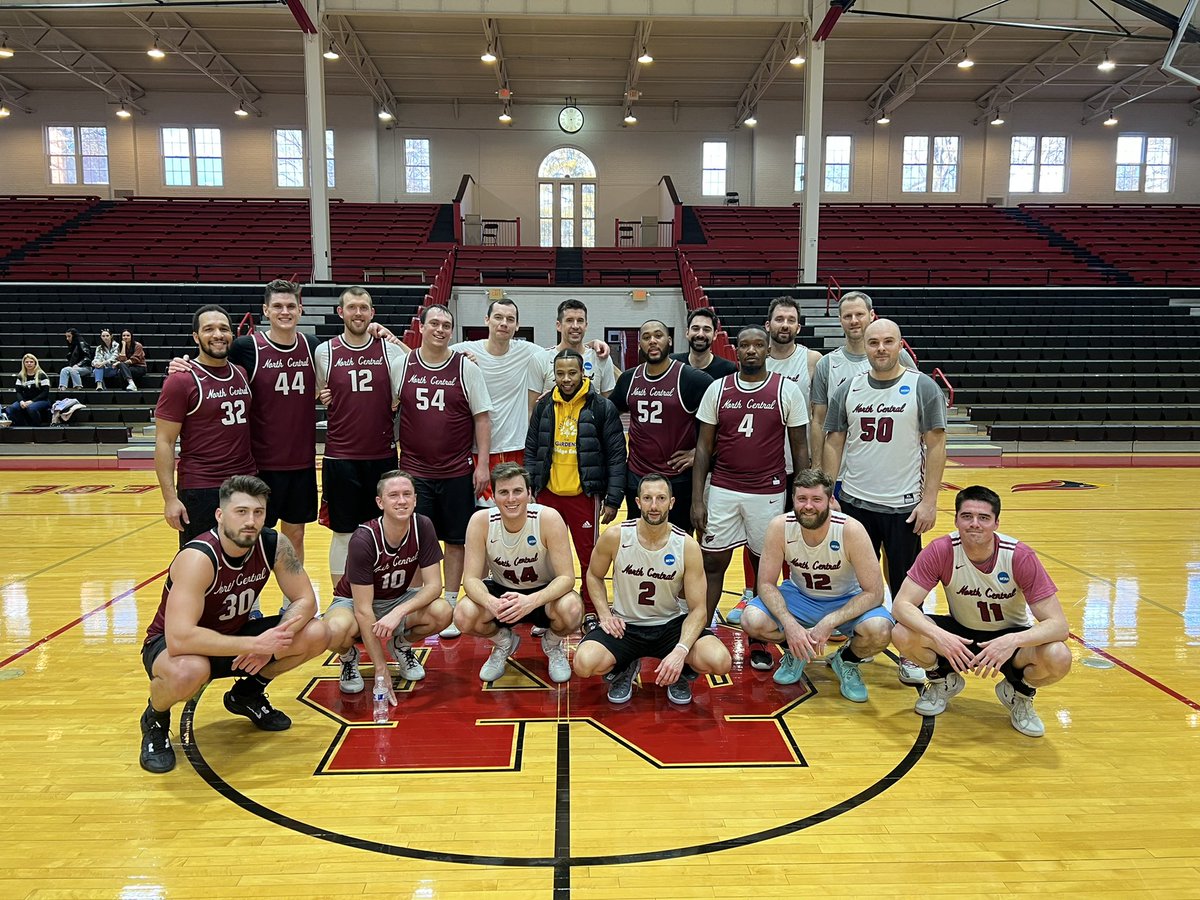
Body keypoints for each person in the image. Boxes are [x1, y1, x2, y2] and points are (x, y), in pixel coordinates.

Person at [137, 475, 330, 774]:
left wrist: (273, 641)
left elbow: (305, 600)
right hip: (175, 647)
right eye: (241, 512)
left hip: (236, 637)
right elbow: (180, 638)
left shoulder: (274, 544)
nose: (250, 521)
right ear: (220, 515)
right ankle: (155, 719)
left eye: (258, 512)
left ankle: (247, 694)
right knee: (190, 671)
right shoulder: (198, 558)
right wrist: (255, 644)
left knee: (317, 632)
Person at [822, 317, 947, 686]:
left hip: (904, 508)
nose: (880, 349)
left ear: (900, 345)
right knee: (852, 582)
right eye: (874, 342)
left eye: (888, 342)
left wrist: (929, 502)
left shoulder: (921, 386)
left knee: (908, 588)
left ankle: (910, 653)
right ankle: (854, 644)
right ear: (866, 345)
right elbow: (833, 441)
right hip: (856, 504)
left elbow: (936, 444)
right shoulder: (848, 387)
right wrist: (829, 493)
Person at [890, 485, 1072, 737]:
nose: (974, 524)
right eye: (967, 516)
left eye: (984, 518)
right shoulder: (942, 549)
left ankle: (1019, 693)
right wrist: (940, 636)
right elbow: (901, 605)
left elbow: (1059, 625)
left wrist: (1013, 640)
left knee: (1059, 656)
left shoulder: (1019, 556)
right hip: (961, 633)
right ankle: (942, 680)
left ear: (996, 523)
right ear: (956, 520)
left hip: (1009, 636)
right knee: (901, 633)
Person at [691, 325, 809, 669]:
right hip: (724, 488)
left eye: (759, 344)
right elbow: (702, 448)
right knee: (712, 562)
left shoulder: (786, 390)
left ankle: (759, 640)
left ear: (768, 349)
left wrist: (802, 500)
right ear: (736, 351)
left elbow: (801, 451)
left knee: (763, 569)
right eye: (745, 345)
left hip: (768, 492)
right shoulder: (718, 389)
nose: (752, 350)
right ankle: (700, 630)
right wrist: (698, 498)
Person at [574, 473, 731, 705]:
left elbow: (699, 610)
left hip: (670, 626)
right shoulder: (616, 536)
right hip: (625, 626)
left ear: (672, 502)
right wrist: (605, 615)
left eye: (661, 498)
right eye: (647, 498)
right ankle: (625, 666)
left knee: (720, 661)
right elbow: (594, 575)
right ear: (637, 503)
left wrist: (681, 650)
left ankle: (678, 669)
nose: (654, 506)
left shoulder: (686, 545)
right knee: (583, 664)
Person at [740, 469, 891, 701]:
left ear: (831, 501)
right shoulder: (780, 526)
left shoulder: (850, 529)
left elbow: (875, 592)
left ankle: (847, 661)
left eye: (816, 499)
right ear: (793, 500)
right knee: (751, 620)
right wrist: (790, 626)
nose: (808, 506)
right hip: (800, 596)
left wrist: (830, 622)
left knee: (880, 631)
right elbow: (767, 584)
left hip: (845, 599)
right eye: (802, 499)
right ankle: (796, 652)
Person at [447, 298, 547, 635]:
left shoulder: (528, 352)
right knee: (484, 526)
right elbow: (426, 353)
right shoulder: (465, 348)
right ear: (487, 319)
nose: (504, 323)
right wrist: (388, 336)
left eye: (510, 319)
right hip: (480, 454)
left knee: (525, 525)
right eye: (498, 317)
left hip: (518, 451)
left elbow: (564, 349)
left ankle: (535, 599)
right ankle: (489, 596)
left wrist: (594, 346)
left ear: (517, 325)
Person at [396, 303, 492, 626]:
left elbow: (482, 418)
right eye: (434, 323)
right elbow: (385, 407)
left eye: (446, 325)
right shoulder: (403, 365)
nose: (440, 329)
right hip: (414, 471)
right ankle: (416, 601)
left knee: (455, 538)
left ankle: (450, 601)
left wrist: (482, 465)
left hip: (456, 470)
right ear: (420, 327)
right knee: (416, 539)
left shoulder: (466, 368)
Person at [324, 470, 453, 699]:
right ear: (380, 502)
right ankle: (348, 657)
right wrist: (381, 669)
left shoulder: (422, 525)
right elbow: (364, 611)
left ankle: (401, 645)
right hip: (354, 602)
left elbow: (434, 586)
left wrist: (399, 611)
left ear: (415, 499)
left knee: (442, 612)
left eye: (407, 494)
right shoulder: (364, 539)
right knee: (332, 632)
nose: (401, 501)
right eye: (393, 495)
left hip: (396, 599)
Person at [454, 463, 583, 684]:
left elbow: (566, 578)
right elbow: (471, 579)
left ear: (529, 493)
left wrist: (531, 601)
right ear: (493, 496)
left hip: (543, 592)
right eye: (503, 492)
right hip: (503, 592)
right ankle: (504, 642)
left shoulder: (548, 518)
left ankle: (552, 645)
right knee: (463, 614)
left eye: (517, 491)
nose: (511, 499)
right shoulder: (480, 521)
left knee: (572, 609)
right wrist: (491, 603)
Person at [525, 348, 626, 626]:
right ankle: (545, 610)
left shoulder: (601, 407)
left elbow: (617, 455)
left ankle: (591, 609)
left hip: (585, 496)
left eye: (572, 373)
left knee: (588, 558)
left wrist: (613, 498)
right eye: (560, 373)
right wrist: (531, 485)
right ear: (553, 375)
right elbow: (532, 449)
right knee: (544, 558)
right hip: (548, 494)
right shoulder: (545, 405)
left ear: (583, 373)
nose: (566, 379)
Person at [315, 286, 406, 591]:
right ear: (340, 312)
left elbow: (417, 366)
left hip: (381, 456)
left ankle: (379, 594)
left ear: (372, 313)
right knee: (343, 534)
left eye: (363, 308)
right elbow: (321, 393)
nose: (358, 313)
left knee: (384, 530)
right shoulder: (325, 352)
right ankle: (342, 598)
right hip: (340, 458)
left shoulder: (389, 349)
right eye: (352, 307)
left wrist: (393, 336)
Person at [154, 305, 256, 548]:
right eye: (209, 329)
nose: (218, 335)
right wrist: (169, 499)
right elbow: (164, 442)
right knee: (199, 562)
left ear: (232, 334)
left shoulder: (241, 373)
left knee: (242, 563)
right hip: (202, 487)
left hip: (245, 483)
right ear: (196, 336)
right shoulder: (181, 380)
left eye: (224, 329)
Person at [610, 319, 713, 533]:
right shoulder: (629, 379)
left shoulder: (692, 379)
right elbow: (606, 413)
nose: (653, 341)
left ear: (670, 340)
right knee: (638, 539)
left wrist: (700, 452)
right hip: (638, 476)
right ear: (640, 344)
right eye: (646, 337)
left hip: (678, 477)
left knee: (677, 541)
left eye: (658, 335)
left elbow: (727, 420)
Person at [809, 291, 916, 468]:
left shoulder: (898, 356)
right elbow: (818, 421)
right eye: (847, 316)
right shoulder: (826, 364)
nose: (854, 321)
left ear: (872, 315)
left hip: (891, 466)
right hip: (840, 469)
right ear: (839, 319)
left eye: (859, 314)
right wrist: (817, 466)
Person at [539, 298, 618, 396]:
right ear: (558, 325)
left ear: (586, 325)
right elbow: (531, 408)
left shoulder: (601, 358)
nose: (575, 326)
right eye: (569, 320)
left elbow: (609, 404)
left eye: (580, 321)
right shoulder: (541, 358)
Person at [669, 307, 737, 379]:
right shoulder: (672, 363)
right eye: (695, 329)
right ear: (687, 332)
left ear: (715, 335)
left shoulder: (728, 370)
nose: (700, 334)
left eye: (706, 330)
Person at [5, 354, 51, 426]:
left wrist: (32, 401)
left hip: (41, 400)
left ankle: (37, 425)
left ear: (35, 363)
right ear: (24, 363)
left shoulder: (42, 375)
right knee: (13, 408)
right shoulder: (21, 376)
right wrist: (21, 401)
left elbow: (45, 393)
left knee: (31, 408)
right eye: (27, 362)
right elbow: (18, 392)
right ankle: (22, 425)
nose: (29, 364)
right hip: (25, 400)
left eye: (31, 362)